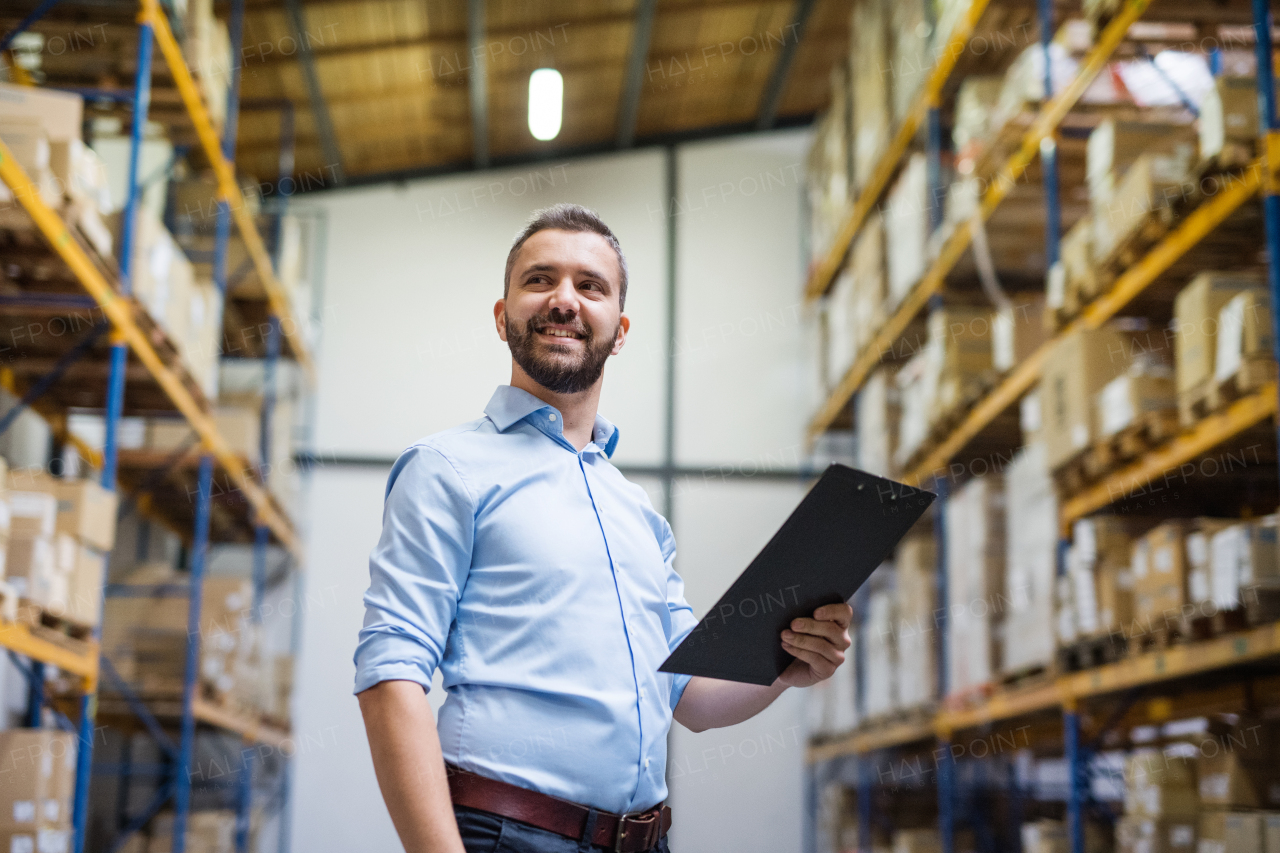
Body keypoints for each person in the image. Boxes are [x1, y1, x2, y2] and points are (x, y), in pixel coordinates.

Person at [355, 203, 853, 853]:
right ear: (503, 316)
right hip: (508, 835)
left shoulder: (637, 512)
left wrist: (786, 666)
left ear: (618, 331)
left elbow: (691, 695)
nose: (564, 299)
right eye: (540, 280)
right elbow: (390, 672)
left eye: (590, 286)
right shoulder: (447, 468)